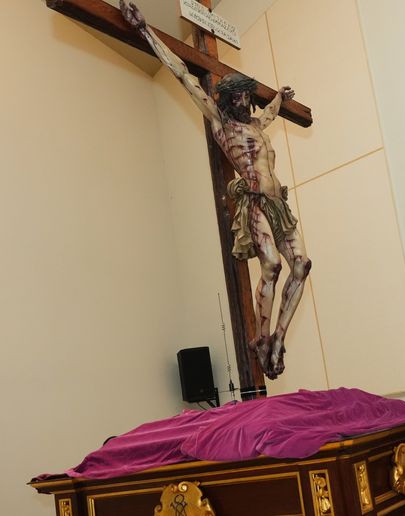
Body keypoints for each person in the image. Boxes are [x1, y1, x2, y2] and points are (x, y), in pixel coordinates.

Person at [120, 1, 311, 380]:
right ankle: (260, 337)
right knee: (271, 265)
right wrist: (145, 30)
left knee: (302, 266)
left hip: (278, 204)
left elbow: (271, 112)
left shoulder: (257, 124)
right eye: (238, 96)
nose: (243, 101)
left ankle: (277, 338)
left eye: (246, 96)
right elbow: (181, 74)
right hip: (254, 201)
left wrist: (279, 100)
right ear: (228, 99)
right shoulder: (222, 124)